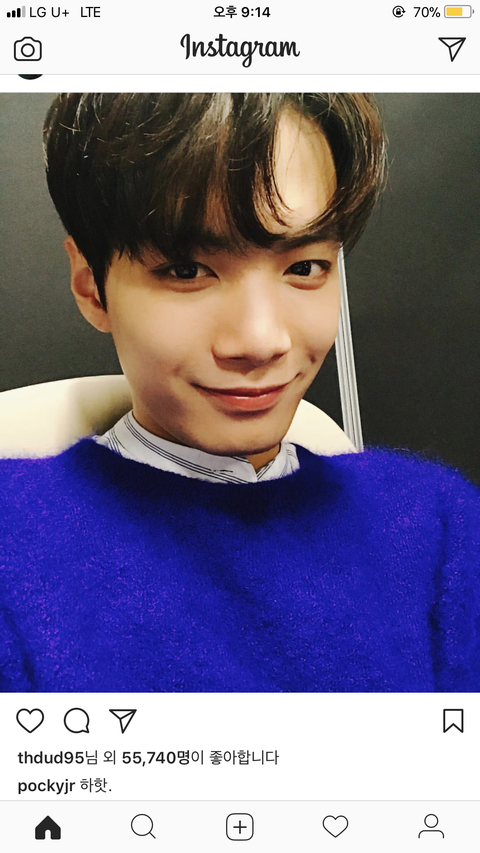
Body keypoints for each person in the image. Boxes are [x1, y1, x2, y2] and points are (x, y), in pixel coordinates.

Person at [0, 93, 478, 692]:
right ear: (91, 286)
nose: (260, 340)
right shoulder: (16, 545)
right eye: (186, 269)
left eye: (304, 267)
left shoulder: (438, 527)